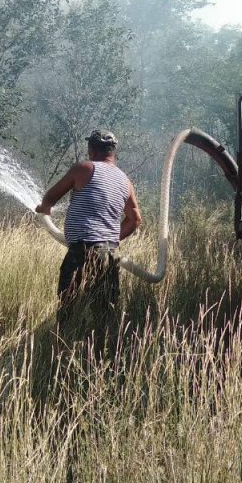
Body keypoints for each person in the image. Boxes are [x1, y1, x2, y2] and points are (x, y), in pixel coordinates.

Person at [35, 129, 142, 363]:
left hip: (81, 252)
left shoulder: (84, 169)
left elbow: (51, 197)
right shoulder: (125, 181)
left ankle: (62, 358)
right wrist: (110, 238)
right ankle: (103, 361)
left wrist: (45, 208)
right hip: (107, 255)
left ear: (92, 149)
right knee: (104, 312)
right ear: (113, 152)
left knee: (69, 308)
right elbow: (135, 220)